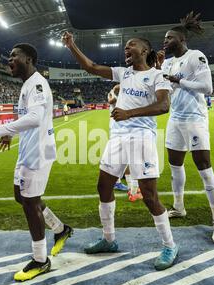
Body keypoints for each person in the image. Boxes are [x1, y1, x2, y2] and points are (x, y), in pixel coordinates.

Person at [62, 31, 179, 270]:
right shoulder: (123, 73)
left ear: (145, 50)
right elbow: (92, 67)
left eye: (131, 46)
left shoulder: (158, 76)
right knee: (103, 186)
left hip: (142, 138)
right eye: (125, 47)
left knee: (149, 196)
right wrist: (71, 45)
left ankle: (169, 245)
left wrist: (128, 113)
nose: (126, 50)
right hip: (118, 138)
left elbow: (163, 105)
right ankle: (109, 239)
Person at [0, 43, 73, 282]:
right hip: (28, 150)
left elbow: (36, 117)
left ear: (28, 59)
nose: (9, 60)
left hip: (38, 153)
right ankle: (61, 229)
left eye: (13, 56)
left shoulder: (37, 83)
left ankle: (41, 260)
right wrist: (10, 133)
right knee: (22, 197)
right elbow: (27, 119)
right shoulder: (27, 85)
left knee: (30, 202)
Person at [157, 11, 214, 245]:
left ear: (181, 40)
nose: (165, 41)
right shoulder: (167, 62)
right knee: (174, 166)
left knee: (204, 169)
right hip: (175, 119)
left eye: (169, 38)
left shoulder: (196, 56)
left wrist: (178, 81)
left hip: (195, 119)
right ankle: (178, 207)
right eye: (165, 39)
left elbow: (207, 88)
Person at [108, 84, 143, 201]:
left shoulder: (120, 96)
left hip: (120, 129)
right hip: (120, 130)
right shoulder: (114, 96)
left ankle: (130, 187)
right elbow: (112, 99)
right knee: (131, 159)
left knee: (125, 159)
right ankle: (132, 190)